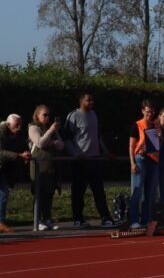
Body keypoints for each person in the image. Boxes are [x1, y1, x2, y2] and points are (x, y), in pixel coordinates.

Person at [63, 92, 115, 228]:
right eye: (88, 100)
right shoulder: (73, 116)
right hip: (80, 161)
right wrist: (75, 154)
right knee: (78, 191)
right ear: (81, 101)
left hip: (94, 159)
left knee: (99, 190)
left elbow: (98, 137)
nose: (91, 102)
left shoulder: (93, 115)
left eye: (92, 100)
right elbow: (67, 138)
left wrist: (105, 152)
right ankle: (78, 219)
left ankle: (105, 217)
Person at [28, 105, 64, 231]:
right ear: (37, 115)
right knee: (39, 193)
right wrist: (50, 133)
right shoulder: (33, 128)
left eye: (48, 115)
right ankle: (37, 220)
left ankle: (47, 219)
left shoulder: (51, 129)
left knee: (49, 193)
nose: (47, 117)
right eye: (44, 115)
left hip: (50, 165)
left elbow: (61, 146)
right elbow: (40, 143)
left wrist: (54, 133)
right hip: (38, 166)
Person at [128, 100, 159, 229]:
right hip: (140, 158)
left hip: (152, 159)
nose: (149, 114)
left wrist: (159, 137)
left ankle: (146, 219)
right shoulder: (137, 125)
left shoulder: (155, 125)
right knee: (137, 190)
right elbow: (131, 146)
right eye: (147, 112)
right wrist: (132, 163)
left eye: (151, 112)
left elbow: (157, 145)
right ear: (142, 111)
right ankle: (134, 219)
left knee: (149, 192)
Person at [0, 114, 32, 233]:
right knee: (3, 193)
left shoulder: (18, 135)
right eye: (16, 125)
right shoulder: (1, 133)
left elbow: (24, 147)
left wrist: (27, 153)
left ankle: (0, 222)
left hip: (4, 168)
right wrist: (19, 156)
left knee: (3, 193)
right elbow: (1, 152)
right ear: (8, 125)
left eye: (20, 125)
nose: (19, 127)